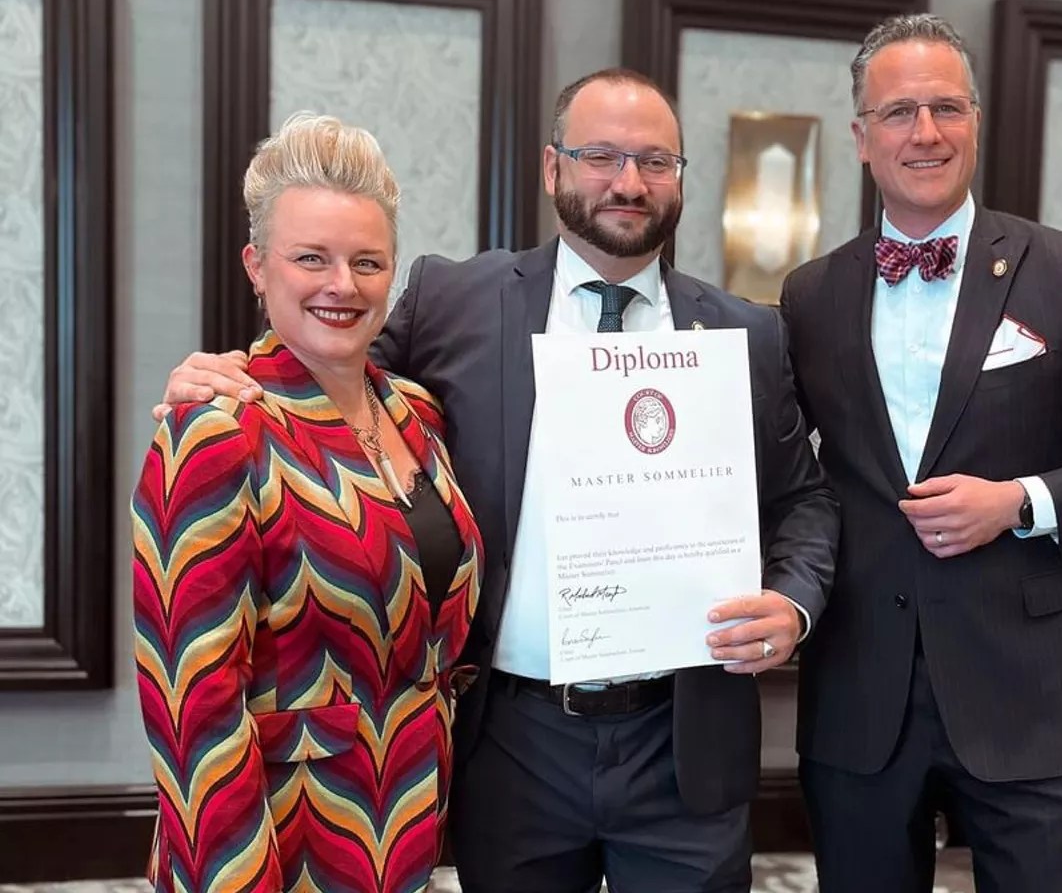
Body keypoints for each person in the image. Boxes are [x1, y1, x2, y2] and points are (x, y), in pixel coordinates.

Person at [155, 68, 840, 893]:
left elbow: (805, 496)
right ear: (552, 169)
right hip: (513, 740)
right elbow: (331, 370)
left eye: (656, 161)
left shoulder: (745, 332)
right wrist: (223, 374)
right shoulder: (455, 300)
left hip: (683, 737)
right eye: (601, 156)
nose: (629, 182)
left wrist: (793, 602)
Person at [780, 14, 1062, 892]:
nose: (924, 133)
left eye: (946, 108)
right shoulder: (811, 293)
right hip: (861, 691)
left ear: (976, 121)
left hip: (1029, 695)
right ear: (861, 137)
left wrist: (1020, 502)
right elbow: (793, 479)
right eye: (898, 113)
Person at [132, 112, 483, 893]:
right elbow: (192, 704)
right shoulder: (216, 430)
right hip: (278, 845)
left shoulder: (416, 415)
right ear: (257, 266)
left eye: (367, 262)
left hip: (403, 826)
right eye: (310, 259)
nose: (342, 285)